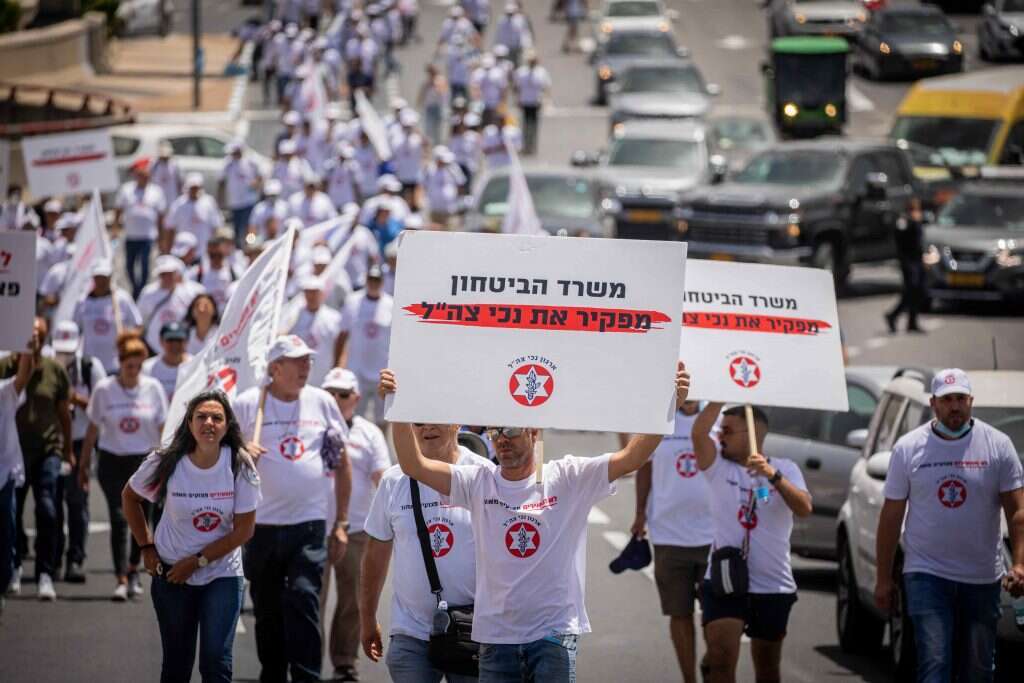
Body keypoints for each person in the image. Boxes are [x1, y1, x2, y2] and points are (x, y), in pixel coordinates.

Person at [378, 361, 690, 682]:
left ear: (533, 432)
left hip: (552, 636)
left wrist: (666, 409)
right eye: (496, 432)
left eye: (511, 430)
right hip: (495, 640)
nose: (502, 439)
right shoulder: (477, 481)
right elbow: (413, 464)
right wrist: (398, 406)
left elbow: (632, 458)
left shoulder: (568, 476)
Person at [874, 369, 1024, 683]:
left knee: (978, 671)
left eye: (960, 399)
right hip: (926, 574)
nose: (954, 406)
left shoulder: (998, 446)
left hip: (982, 577)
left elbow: (1018, 512)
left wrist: (1021, 563)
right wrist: (883, 578)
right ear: (933, 404)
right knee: (935, 663)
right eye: (946, 400)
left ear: (971, 402)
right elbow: (890, 518)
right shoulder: (909, 448)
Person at [232, 335, 353, 682]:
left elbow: (341, 464)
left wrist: (341, 522)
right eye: (297, 361)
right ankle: (272, 673)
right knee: (267, 607)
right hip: (262, 524)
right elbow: (222, 457)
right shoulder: (247, 404)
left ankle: (307, 675)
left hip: (309, 523)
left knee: (304, 598)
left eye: (308, 361)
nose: (306, 367)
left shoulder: (321, 402)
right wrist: (242, 450)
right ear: (274, 368)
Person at [123, 389, 260, 683]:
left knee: (215, 663)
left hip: (221, 573)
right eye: (201, 417)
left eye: (217, 417)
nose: (208, 422)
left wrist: (198, 561)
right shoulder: (165, 461)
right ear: (189, 423)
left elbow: (245, 530)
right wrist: (146, 547)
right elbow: (130, 498)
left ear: (227, 426)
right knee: (177, 665)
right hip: (172, 575)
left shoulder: (239, 464)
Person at [360, 420, 492, 683]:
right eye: (418, 422)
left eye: (436, 420)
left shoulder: (483, 474)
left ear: (456, 423)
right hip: (411, 632)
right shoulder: (393, 481)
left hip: (474, 631)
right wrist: (367, 619)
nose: (427, 428)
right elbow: (374, 558)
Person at [692, 403, 813, 683]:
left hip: (772, 583)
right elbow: (699, 434)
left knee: (768, 667)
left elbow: (804, 507)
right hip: (725, 579)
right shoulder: (717, 467)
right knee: (721, 658)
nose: (720, 436)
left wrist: (772, 476)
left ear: (752, 434)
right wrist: (718, 398)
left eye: (727, 431)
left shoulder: (786, 468)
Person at [79, 331, 169, 601]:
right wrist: (83, 464)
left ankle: (133, 569)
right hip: (112, 461)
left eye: (138, 366)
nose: (133, 371)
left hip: (145, 462)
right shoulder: (105, 389)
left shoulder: (153, 388)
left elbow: (164, 427)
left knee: (143, 519)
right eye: (129, 365)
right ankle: (119, 576)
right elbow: (93, 428)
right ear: (119, 363)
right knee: (119, 518)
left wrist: (168, 462)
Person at [629, 400, 713, 683]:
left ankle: (713, 661)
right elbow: (644, 467)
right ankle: (689, 678)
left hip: (714, 535)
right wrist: (640, 513)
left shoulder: (718, 416)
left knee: (717, 616)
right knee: (680, 612)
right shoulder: (659, 418)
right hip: (668, 533)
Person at [320, 368, 391, 682]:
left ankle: (344, 662)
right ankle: (305, 661)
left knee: (352, 600)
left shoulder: (369, 432)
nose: (336, 400)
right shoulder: (310, 426)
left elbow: (382, 478)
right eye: (330, 393)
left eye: (343, 394)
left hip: (358, 529)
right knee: (309, 600)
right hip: (315, 528)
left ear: (357, 398)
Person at [0, 318, 72, 602]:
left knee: (47, 508)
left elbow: (64, 413)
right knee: (13, 514)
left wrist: (68, 450)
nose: (36, 340)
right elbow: (20, 376)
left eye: (40, 336)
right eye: (30, 336)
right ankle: (15, 566)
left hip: (48, 449)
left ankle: (45, 573)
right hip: (13, 454)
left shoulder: (55, 370)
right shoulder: (5, 367)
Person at [51, 321, 107, 584]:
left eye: (68, 351)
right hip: (52, 443)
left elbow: (102, 405)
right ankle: (52, 558)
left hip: (80, 441)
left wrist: (74, 398)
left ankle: (75, 557)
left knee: (77, 502)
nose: (64, 356)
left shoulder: (90, 368)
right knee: (51, 503)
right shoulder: (47, 366)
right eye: (59, 351)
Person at [338, 266, 394, 430]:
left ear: (382, 282)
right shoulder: (352, 301)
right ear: (366, 280)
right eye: (371, 279)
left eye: (377, 280)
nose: (374, 283)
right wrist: (338, 363)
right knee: (353, 416)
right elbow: (342, 334)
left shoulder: (391, 304)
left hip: (381, 371)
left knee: (382, 419)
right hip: (357, 370)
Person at [0, 338, 33, 612]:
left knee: (6, 533)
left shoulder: (5, 391)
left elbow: (24, 374)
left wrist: (26, 347)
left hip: (4, 476)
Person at [72, 259, 144, 374]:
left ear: (110, 278)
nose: (101, 281)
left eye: (104, 277)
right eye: (98, 277)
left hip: (115, 364)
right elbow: (75, 329)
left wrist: (127, 338)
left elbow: (138, 325)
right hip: (89, 363)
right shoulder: (82, 302)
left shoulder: (122, 299)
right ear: (93, 278)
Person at [114, 158, 167, 298]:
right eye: (140, 175)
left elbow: (161, 217)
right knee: (129, 266)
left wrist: (162, 238)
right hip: (131, 235)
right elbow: (118, 210)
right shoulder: (126, 190)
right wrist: (115, 227)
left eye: (146, 176)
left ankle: (140, 291)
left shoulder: (156, 191)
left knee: (145, 266)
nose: (143, 178)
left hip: (147, 236)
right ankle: (135, 287)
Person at [138, 255, 205, 355]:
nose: (167, 277)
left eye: (170, 273)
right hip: (153, 347)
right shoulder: (148, 293)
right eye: (163, 274)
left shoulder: (188, 293)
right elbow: (141, 319)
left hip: (182, 347)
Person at [290, 275, 345, 386]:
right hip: (299, 376)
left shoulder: (334, 317)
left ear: (322, 294)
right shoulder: (294, 316)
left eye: (314, 292)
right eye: (308, 292)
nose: (311, 296)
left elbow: (341, 346)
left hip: (325, 376)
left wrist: (338, 369)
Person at [885, 199, 925, 334]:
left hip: (918, 260)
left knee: (918, 290)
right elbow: (899, 234)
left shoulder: (918, 219)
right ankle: (893, 315)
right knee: (910, 290)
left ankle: (912, 321)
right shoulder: (904, 220)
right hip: (908, 261)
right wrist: (913, 221)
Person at [166, 173, 225, 256]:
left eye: (197, 188)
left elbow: (216, 226)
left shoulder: (209, 202)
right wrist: (168, 249)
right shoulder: (178, 204)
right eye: (192, 188)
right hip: (184, 253)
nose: (195, 190)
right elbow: (170, 227)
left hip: (204, 251)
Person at [218, 140, 263, 247]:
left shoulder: (251, 162)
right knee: (237, 227)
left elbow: (260, 177)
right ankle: (239, 247)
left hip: (249, 201)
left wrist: (255, 184)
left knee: (250, 226)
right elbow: (221, 181)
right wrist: (220, 199)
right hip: (235, 202)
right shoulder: (227, 164)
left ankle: (250, 245)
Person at [143, 322, 192, 403]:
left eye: (179, 340)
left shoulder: (196, 365)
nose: (175, 344)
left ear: (186, 341)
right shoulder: (147, 367)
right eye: (170, 340)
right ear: (161, 341)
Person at [513, 52, 550, 156]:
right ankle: (525, 145)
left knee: (534, 125)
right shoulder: (521, 72)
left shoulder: (541, 72)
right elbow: (516, 87)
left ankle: (532, 146)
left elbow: (546, 87)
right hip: (525, 101)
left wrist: (545, 100)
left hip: (535, 102)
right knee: (525, 125)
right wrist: (517, 99)